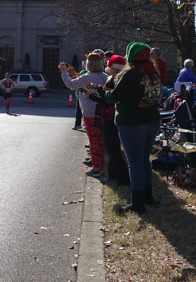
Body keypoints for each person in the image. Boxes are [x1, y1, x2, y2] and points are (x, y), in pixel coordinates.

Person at [88, 42, 161, 214]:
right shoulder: (154, 73)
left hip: (132, 123)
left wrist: (100, 90)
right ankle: (148, 196)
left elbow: (113, 97)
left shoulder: (130, 73)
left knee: (134, 163)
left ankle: (137, 203)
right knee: (144, 160)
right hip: (152, 120)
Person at [59, 52, 109, 178]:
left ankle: (97, 168)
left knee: (93, 140)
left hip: (90, 113)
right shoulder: (105, 76)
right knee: (100, 140)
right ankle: (100, 165)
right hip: (104, 112)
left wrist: (64, 71)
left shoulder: (87, 77)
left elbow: (70, 84)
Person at [102, 55, 131, 186]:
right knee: (113, 150)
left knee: (113, 150)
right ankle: (113, 175)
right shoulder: (122, 79)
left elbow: (107, 99)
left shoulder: (113, 80)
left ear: (113, 68)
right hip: (115, 116)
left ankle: (122, 178)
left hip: (110, 116)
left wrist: (91, 95)